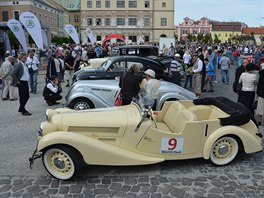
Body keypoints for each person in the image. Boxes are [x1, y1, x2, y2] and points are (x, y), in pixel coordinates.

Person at [10, 52, 32, 116]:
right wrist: (17, 81)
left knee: (27, 96)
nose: (26, 59)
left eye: (26, 57)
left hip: (25, 82)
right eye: (24, 58)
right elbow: (12, 73)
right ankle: (23, 110)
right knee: (23, 96)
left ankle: (21, 107)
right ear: (21, 58)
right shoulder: (18, 64)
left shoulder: (24, 64)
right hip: (21, 82)